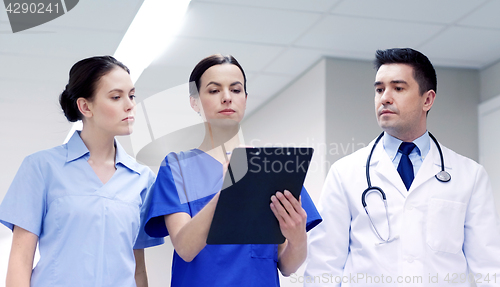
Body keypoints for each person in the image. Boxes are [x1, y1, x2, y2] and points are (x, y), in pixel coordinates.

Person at [304, 48, 500, 286]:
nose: (384, 97)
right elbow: (323, 265)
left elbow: (488, 266)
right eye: (379, 89)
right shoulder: (345, 173)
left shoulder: (469, 175)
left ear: (427, 100)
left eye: (398, 88)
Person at [144, 54, 322, 286]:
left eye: (236, 90)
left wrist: (298, 238)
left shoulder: (269, 166)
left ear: (246, 99)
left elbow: (287, 266)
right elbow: (185, 248)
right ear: (195, 102)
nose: (227, 98)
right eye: (214, 90)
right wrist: (229, 189)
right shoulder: (176, 167)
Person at [0, 56, 163, 287]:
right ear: (85, 106)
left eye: (132, 95)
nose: (130, 105)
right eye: (116, 97)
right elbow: (19, 262)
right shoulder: (41, 168)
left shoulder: (143, 179)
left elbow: (138, 270)